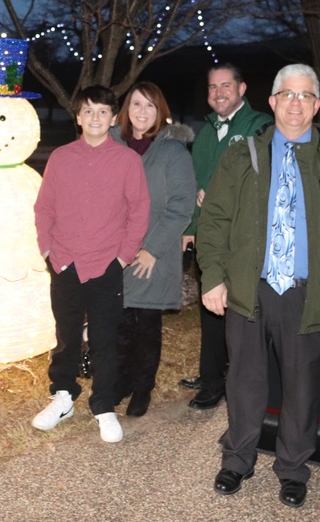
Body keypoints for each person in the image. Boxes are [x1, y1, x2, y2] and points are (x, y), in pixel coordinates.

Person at [195, 64, 320, 508]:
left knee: (301, 387)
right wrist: (213, 277)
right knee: (244, 382)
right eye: (287, 94)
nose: (295, 103)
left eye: (305, 96)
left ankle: (293, 469)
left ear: (316, 105)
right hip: (247, 289)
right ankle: (237, 460)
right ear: (273, 102)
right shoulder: (243, 156)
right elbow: (215, 220)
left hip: (307, 293)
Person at [32, 85, 150, 443]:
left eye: (102, 111)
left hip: (105, 264)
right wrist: (48, 251)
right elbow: (45, 207)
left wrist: (122, 258)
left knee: (104, 339)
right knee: (65, 335)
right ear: (78, 117)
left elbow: (139, 212)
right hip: (65, 261)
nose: (95, 118)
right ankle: (63, 395)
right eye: (87, 111)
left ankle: (103, 405)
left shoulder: (127, 160)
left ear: (113, 118)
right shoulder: (62, 157)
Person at [180, 64, 272, 410]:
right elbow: (196, 183)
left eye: (226, 86)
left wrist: (222, 195)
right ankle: (211, 375)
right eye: (213, 87)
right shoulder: (205, 133)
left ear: (242, 88)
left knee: (241, 313)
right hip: (211, 237)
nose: (219, 92)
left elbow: (264, 178)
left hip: (243, 239)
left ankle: (232, 380)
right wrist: (191, 228)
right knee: (210, 308)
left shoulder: (259, 126)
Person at [111, 83, 195, 418]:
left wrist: (151, 250)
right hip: (114, 251)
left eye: (149, 105)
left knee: (146, 322)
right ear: (125, 109)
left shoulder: (173, 151)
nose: (142, 112)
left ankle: (143, 386)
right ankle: (121, 381)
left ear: (159, 111)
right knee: (117, 323)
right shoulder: (111, 144)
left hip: (152, 253)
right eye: (135, 104)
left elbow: (181, 207)